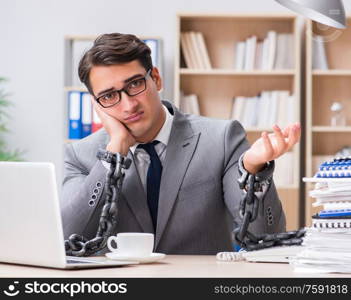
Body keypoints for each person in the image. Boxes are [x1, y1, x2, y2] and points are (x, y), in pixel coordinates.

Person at [61, 33, 300, 255]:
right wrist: (114, 152)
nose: (128, 105)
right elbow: (69, 239)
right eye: (109, 96)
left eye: (134, 84)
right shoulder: (81, 155)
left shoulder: (222, 138)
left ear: (155, 78)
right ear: (97, 105)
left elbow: (266, 238)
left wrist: (251, 171)